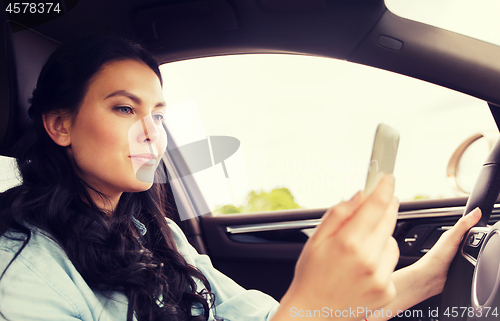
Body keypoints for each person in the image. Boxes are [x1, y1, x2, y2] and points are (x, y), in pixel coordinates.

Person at [0, 36, 481, 321]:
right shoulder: (21, 273)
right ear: (59, 124)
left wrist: (428, 275)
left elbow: (257, 316)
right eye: (125, 108)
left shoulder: (154, 234)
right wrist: (309, 302)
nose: (152, 134)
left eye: (160, 115)